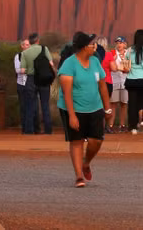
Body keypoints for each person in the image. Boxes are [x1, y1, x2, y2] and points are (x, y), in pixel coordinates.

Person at [57, 31, 112, 188]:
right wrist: (72, 116)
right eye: (91, 44)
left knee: (97, 140)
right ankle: (79, 176)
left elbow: (102, 85)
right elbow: (66, 93)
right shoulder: (69, 64)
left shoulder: (95, 61)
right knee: (77, 141)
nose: (95, 46)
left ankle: (86, 163)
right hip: (73, 108)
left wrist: (107, 109)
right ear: (82, 48)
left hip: (94, 107)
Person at [20, 33, 55, 135]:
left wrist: (29, 70)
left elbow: (22, 70)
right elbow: (51, 64)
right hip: (44, 80)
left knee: (30, 105)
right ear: (38, 41)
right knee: (45, 105)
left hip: (31, 80)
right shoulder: (45, 49)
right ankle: (48, 130)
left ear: (30, 42)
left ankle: (29, 130)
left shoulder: (25, 53)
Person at [108, 37, 130, 133]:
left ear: (125, 44)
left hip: (125, 81)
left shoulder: (128, 54)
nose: (119, 44)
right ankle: (110, 125)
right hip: (115, 81)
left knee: (124, 104)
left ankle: (122, 125)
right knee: (113, 104)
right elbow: (109, 65)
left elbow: (129, 67)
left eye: (120, 43)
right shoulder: (112, 53)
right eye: (117, 43)